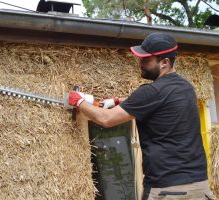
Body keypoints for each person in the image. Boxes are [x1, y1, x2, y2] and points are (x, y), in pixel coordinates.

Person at [68, 33, 214, 200]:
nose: (140, 64)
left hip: (168, 190)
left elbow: (105, 119)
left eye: (146, 60)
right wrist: (118, 101)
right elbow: (159, 103)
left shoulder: (150, 92)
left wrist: (78, 101)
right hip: (199, 186)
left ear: (164, 62)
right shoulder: (185, 87)